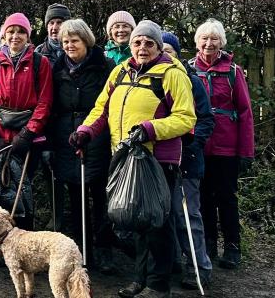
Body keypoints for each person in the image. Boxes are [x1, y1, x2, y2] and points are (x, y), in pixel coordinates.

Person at [71, 20, 196, 298]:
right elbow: (101, 109)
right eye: (137, 42)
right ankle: (139, 280)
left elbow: (186, 119)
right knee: (138, 223)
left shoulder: (172, 74)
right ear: (131, 45)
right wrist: (85, 131)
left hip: (158, 158)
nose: (142, 48)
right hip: (125, 156)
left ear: (157, 46)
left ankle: (158, 284)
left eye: (149, 43)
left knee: (157, 222)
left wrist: (151, 128)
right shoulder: (120, 71)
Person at [44, 19, 116, 273]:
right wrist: (52, 142)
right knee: (75, 196)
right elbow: (51, 107)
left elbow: (111, 104)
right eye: (65, 42)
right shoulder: (56, 68)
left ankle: (104, 249)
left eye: (74, 40)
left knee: (100, 196)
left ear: (86, 41)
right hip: (66, 136)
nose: (69, 45)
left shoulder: (104, 66)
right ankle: (82, 250)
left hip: (96, 133)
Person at [189, 18, 255, 270]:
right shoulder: (189, 69)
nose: (208, 43)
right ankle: (207, 243)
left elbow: (246, 112)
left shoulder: (233, 71)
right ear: (197, 42)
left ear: (221, 42)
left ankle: (232, 246)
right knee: (202, 196)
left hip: (226, 146)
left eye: (214, 38)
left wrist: (246, 152)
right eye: (204, 38)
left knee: (226, 197)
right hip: (198, 145)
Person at [0, 13, 53, 231]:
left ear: (28, 36)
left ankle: (24, 241)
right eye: (11, 31)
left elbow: (44, 102)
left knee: (24, 189)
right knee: (0, 189)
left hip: (27, 137)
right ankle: (1, 241)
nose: (15, 36)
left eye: (21, 31)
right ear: (4, 35)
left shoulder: (41, 63)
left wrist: (29, 133)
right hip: (0, 135)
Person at [163, 31, 216, 289]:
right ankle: (173, 260)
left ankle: (199, 266)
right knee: (167, 212)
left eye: (169, 52)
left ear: (178, 54)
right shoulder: (157, 80)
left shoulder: (191, 81)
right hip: (163, 158)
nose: (165, 56)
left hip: (188, 157)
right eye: (161, 52)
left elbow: (206, 119)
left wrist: (192, 143)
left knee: (188, 215)